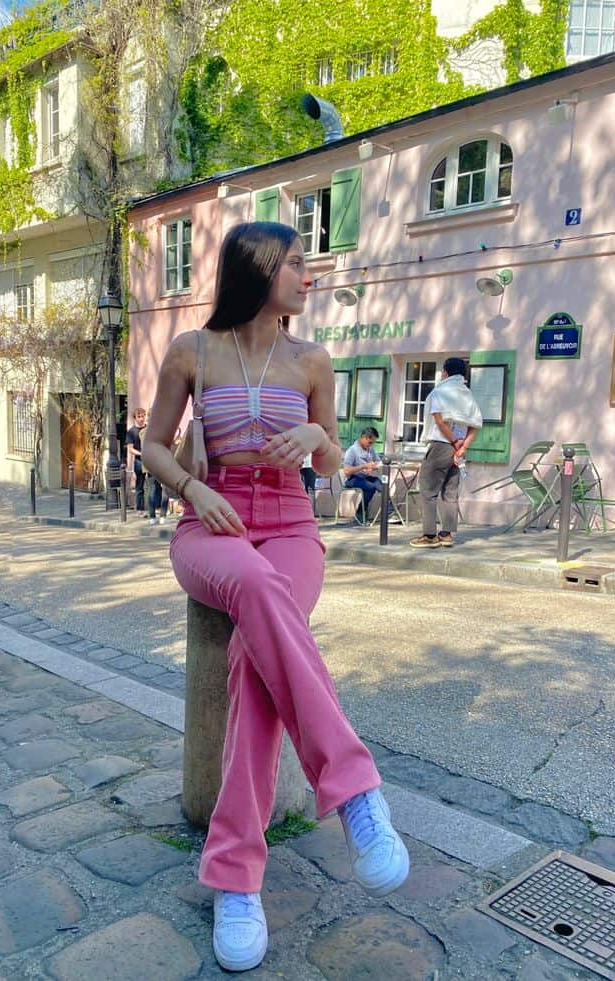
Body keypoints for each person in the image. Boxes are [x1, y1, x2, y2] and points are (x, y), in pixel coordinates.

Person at [142, 222, 409, 974]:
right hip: (211, 522)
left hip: (291, 523)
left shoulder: (311, 359)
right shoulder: (193, 350)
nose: (307, 275)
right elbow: (154, 444)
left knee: (251, 664)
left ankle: (236, 878)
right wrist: (192, 487)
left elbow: (330, 459)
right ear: (258, 268)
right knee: (258, 589)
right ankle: (355, 790)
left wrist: (316, 442)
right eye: (295, 263)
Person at [410, 357, 483, 548]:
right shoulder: (468, 394)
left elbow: (440, 421)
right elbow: (476, 424)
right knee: (450, 491)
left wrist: (453, 441)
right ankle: (447, 534)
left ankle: (429, 535)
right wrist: (463, 446)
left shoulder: (440, 391)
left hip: (441, 444)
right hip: (459, 449)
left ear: (445, 372)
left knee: (428, 489)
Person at [342, 426, 393, 522]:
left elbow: (378, 461)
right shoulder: (352, 451)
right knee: (370, 487)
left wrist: (373, 467)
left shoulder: (370, 449)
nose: (371, 445)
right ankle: (360, 512)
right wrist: (364, 466)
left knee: (382, 485)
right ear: (364, 437)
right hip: (352, 478)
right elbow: (346, 471)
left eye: (372, 443)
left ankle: (390, 512)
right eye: (370, 442)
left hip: (365, 477)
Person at [126, 407, 147, 514]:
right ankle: (140, 509)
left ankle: (156, 508)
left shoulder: (148, 429)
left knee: (155, 484)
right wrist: (141, 454)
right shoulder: (131, 432)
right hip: (139, 461)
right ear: (135, 418)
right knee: (140, 485)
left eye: (143, 416)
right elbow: (130, 449)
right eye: (139, 417)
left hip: (151, 459)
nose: (142, 419)